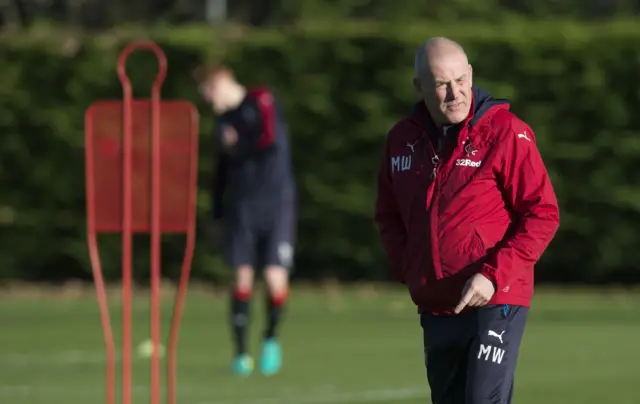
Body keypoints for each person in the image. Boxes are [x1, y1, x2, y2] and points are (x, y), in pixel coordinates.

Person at [373, 37, 560, 403]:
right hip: (437, 304)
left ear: (471, 75)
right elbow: (388, 215)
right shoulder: (400, 140)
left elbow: (542, 214)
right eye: (442, 84)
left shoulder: (506, 132)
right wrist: (411, 269)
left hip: (496, 299)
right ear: (419, 87)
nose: (454, 93)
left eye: (461, 80)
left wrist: (493, 275)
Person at [196, 65, 297, 377]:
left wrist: (237, 144)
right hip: (242, 207)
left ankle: (270, 339)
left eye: (208, 95)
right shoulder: (222, 122)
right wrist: (216, 214)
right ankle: (240, 353)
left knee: (273, 278)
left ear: (220, 83)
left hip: (277, 204)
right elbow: (221, 172)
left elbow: (267, 139)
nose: (209, 104)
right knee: (241, 278)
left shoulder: (261, 99)